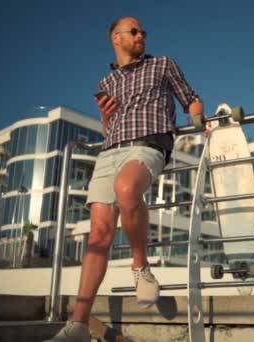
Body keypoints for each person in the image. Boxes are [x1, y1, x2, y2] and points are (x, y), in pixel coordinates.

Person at [45, 16, 204, 342]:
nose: (141, 34)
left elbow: (190, 98)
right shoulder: (106, 82)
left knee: (126, 188)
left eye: (143, 31)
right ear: (116, 39)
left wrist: (200, 119)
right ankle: (77, 325)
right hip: (110, 150)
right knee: (99, 236)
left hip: (149, 143)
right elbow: (107, 129)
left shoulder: (162, 64)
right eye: (134, 31)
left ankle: (140, 266)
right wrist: (105, 118)